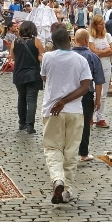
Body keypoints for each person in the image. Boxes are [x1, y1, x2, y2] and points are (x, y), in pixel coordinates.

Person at [40, 25, 92, 204]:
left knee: (53, 148)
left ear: (53, 44)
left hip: (52, 109)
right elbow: (85, 86)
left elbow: (45, 78)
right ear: (70, 40)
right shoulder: (80, 60)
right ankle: (67, 190)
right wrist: (66, 100)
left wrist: (60, 100)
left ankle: (58, 179)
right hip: (75, 111)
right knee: (70, 151)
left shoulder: (47, 57)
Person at [71, 29, 105, 163]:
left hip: (69, 94)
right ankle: (83, 153)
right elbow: (99, 80)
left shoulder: (68, 55)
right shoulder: (92, 57)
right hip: (86, 94)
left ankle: (67, 151)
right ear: (86, 41)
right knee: (85, 124)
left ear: (75, 39)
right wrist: (98, 99)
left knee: (69, 122)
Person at [9, 20, 45, 134]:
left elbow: (13, 57)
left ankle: (22, 123)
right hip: (33, 74)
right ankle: (30, 126)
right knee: (31, 100)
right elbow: (41, 58)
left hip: (19, 74)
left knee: (21, 98)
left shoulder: (15, 42)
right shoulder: (37, 42)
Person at [88, 16, 112, 128]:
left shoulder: (107, 36)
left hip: (106, 66)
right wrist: (106, 51)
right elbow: (93, 52)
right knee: (93, 93)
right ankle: (90, 116)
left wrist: (101, 52)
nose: (103, 26)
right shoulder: (91, 37)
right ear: (95, 25)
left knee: (103, 94)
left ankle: (100, 117)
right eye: (100, 24)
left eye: (103, 24)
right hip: (94, 67)